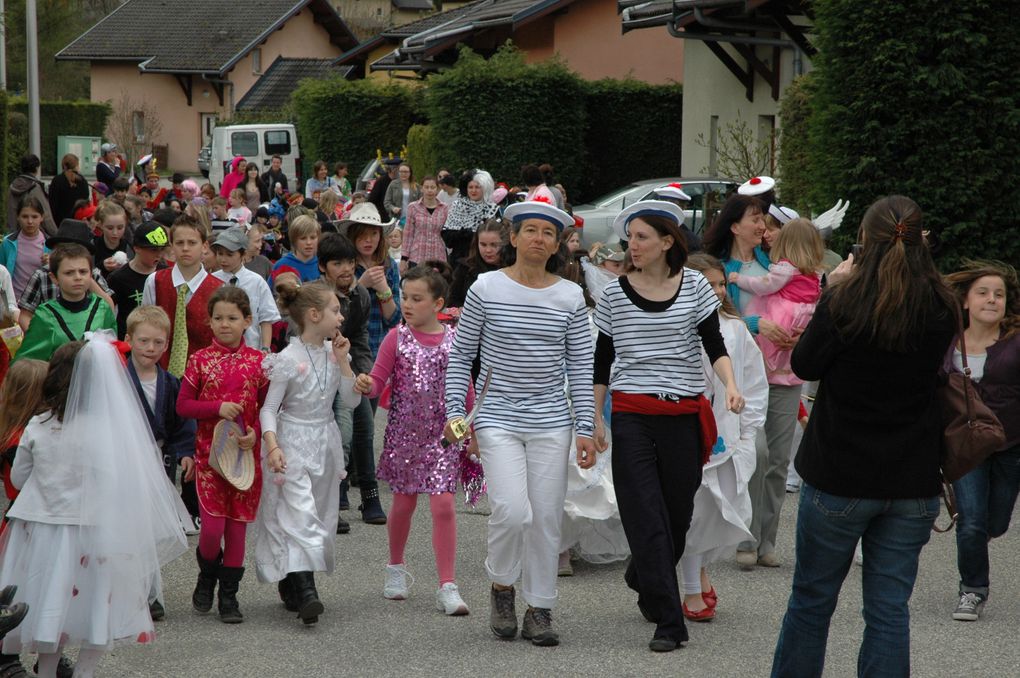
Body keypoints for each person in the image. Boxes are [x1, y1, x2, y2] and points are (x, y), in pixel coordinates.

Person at [770, 195, 957, 677]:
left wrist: (831, 290)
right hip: (912, 477)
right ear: (923, 241)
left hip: (839, 472)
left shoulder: (846, 299)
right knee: (889, 609)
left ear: (865, 243)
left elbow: (806, 363)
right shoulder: (940, 302)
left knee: (812, 603)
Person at [444, 198, 597, 647]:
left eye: (548, 233)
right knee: (511, 511)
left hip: (552, 420)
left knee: (546, 516)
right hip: (496, 417)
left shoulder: (570, 295)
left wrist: (586, 427)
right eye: (530, 230)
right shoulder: (486, 288)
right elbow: (461, 358)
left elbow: (580, 367)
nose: (538, 239)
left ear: (556, 245)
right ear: (513, 238)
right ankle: (502, 587)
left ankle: (540, 608)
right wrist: (457, 414)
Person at [592, 200, 744, 652]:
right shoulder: (614, 295)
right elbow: (602, 361)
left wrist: (731, 385)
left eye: (641, 237)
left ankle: (643, 574)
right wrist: (593, 421)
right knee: (646, 515)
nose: (632, 246)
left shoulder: (695, 285)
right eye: (630, 238)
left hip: (682, 415)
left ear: (666, 242)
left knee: (677, 517)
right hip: (632, 414)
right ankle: (670, 620)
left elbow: (713, 343)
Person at [0, 336, 189, 678]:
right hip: (94, 533)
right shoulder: (107, 432)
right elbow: (116, 482)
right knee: (97, 605)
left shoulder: (37, 427)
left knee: (49, 605)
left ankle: (46, 671)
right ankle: (84, 673)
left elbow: (20, 475)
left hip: (42, 529)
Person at [356, 266, 474, 616]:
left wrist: (474, 431)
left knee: (443, 506)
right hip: (405, 437)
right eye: (405, 296)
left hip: (443, 439)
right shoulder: (397, 338)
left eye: (416, 298)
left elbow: (466, 391)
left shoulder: (455, 341)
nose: (407, 304)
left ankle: (447, 585)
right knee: (404, 505)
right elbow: (378, 382)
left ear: (438, 303)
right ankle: (395, 567)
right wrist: (365, 384)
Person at [703, 194, 798, 570]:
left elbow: (801, 302)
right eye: (755, 218)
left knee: (777, 461)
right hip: (739, 377)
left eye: (765, 219)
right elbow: (715, 319)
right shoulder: (717, 270)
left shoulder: (776, 266)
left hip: (783, 373)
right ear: (734, 224)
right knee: (752, 454)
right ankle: (745, 534)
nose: (763, 226)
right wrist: (758, 325)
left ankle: (767, 540)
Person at [257, 281, 360, 625]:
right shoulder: (288, 358)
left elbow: (352, 401)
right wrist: (272, 444)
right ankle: (306, 592)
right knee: (298, 513)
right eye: (335, 310)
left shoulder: (336, 353)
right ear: (314, 315)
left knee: (319, 513)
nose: (341, 316)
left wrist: (345, 364)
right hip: (292, 441)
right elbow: (270, 407)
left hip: (324, 440)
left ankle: (291, 580)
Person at [678, 253, 768, 622]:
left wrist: (748, 430)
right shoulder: (673, 323)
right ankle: (690, 585)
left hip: (725, 433)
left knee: (718, 509)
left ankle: (695, 567)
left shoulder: (733, 328)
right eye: (707, 284)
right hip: (684, 429)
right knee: (692, 509)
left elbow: (753, 379)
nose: (716, 292)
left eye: (720, 284)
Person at [175, 286, 268, 624]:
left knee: (238, 529)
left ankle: (229, 597)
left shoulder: (259, 363)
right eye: (218, 318)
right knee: (212, 530)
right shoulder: (199, 360)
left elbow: (268, 408)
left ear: (247, 321)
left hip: (244, 458)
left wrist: (256, 432)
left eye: (232, 318)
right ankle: (207, 575)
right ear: (209, 322)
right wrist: (216, 407)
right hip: (210, 458)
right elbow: (183, 405)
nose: (225, 324)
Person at [942, 260, 1020, 622]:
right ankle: (973, 589)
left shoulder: (1015, 343)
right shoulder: (946, 342)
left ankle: (977, 542)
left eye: (999, 294)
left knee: (997, 522)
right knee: (970, 522)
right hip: (966, 448)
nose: (992, 300)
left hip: (1010, 445)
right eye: (984, 293)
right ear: (966, 301)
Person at [124, 304, 199, 613]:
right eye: (143, 341)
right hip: (125, 460)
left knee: (153, 529)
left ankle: (151, 592)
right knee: (129, 528)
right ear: (128, 339)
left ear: (167, 344)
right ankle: (131, 589)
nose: (150, 348)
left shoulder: (169, 382)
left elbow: (182, 422)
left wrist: (185, 453)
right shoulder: (117, 377)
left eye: (157, 342)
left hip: (159, 460)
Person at [316, 233, 377, 531]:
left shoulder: (361, 295)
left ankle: (370, 496)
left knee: (365, 425)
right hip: (319, 375)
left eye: (350, 262)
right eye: (337, 262)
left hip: (349, 367)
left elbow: (362, 340)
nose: (346, 268)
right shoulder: (313, 297)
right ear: (323, 267)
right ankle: (333, 500)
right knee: (339, 436)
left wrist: (365, 372)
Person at [729, 218, 824, 385]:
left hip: (784, 313)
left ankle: (766, 369)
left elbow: (764, 285)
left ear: (786, 242)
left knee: (767, 344)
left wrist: (739, 279)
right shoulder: (815, 272)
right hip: (804, 315)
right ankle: (783, 373)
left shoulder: (786, 268)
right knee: (786, 347)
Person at [142, 215, 225, 377]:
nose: (185, 248)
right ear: (171, 246)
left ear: (204, 246)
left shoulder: (220, 288)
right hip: (160, 371)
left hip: (206, 374)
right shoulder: (155, 281)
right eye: (179, 243)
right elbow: (145, 327)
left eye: (192, 243)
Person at [15, 244, 116, 363]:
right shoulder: (45, 315)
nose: (78, 277)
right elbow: (26, 362)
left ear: (91, 275)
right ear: (54, 278)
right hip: (60, 379)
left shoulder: (102, 308)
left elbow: (113, 351)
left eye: (83, 272)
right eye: (69, 273)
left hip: (97, 378)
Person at [15, 219, 115, 334]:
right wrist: (38, 338)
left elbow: (109, 307)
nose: (71, 254)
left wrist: (87, 277)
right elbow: (25, 315)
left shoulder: (93, 274)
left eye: (78, 251)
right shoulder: (42, 274)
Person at [339, 204, 401, 359]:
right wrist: (360, 286)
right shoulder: (343, 265)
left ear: (380, 236)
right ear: (352, 235)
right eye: (362, 234)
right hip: (351, 349)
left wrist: (384, 289)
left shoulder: (389, 265)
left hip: (381, 347)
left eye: (374, 233)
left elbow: (394, 319)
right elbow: (338, 315)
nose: (368, 240)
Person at [211, 228, 280, 350]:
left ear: (243, 254)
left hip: (251, 349)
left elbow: (266, 318)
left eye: (229, 254)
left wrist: (265, 348)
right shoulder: (211, 281)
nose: (223, 259)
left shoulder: (256, 282)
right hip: (218, 350)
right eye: (220, 253)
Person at [108, 221, 168, 339]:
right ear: (137, 248)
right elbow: (109, 312)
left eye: (162, 249)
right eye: (153, 250)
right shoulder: (118, 278)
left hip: (160, 339)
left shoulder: (166, 274)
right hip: (130, 340)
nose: (159, 254)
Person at [441, 169, 498, 266]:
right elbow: (447, 238)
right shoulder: (457, 206)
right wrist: (463, 234)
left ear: (484, 188)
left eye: (477, 187)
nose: (473, 190)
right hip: (459, 261)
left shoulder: (492, 208)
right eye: (470, 187)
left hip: (483, 260)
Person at [447, 218, 504, 308]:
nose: (488, 250)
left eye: (494, 245)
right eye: (483, 244)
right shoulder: (465, 267)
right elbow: (452, 300)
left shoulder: (514, 269)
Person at [2, 196, 50, 302]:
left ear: (42, 217)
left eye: (34, 216)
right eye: (25, 216)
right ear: (18, 217)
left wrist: (51, 265)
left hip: (40, 303)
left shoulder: (50, 245)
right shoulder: (7, 243)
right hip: (13, 301)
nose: (30, 221)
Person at [403, 176, 449, 268]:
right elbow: (408, 234)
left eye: (432, 187)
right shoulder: (413, 207)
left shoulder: (445, 208)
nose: (429, 190)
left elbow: (447, 233)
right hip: (417, 256)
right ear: (422, 188)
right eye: (426, 187)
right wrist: (404, 258)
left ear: (437, 189)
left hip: (438, 256)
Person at [6, 155, 56, 237]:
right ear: (36, 168)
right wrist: (56, 235)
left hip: (14, 234)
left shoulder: (12, 186)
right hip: (32, 234)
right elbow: (46, 216)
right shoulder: (34, 187)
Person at [651, 183, 702, 253]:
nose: (666, 210)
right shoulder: (648, 231)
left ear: (683, 208)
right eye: (663, 204)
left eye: (672, 206)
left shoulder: (689, 240)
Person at [272, 215, 320, 282]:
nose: (309, 242)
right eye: (303, 238)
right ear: (294, 240)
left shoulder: (323, 264)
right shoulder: (281, 265)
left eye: (313, 238)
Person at [92, 202, 134, 280]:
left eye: (120, 228)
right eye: (110, 228)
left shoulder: (129, 248)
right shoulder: (92, 246)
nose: (115, 233)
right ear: (101, 225)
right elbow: (86, 272)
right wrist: (102, 266)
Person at [47, 154, 90, 226]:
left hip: (61, 222)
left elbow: (52, 204)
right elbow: (86, 199)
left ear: (64, 166)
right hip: (79, 220)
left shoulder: (57, 180)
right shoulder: (82, 180)